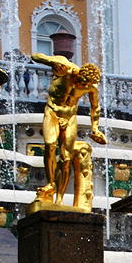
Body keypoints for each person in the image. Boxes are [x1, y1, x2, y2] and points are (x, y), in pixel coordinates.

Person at [31, 53, 107, 205]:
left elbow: (95, 107)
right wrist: (51, 62)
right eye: (82, 83)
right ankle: (51, 184)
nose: (84, 88)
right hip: (52, 112)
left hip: (70, 117)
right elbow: (35, 56)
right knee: (50, 145)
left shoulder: (91, 87)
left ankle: (59, 198)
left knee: (66, 159)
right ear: (78, 75)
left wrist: (95, 128)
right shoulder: (65, 68)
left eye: (87, 86)